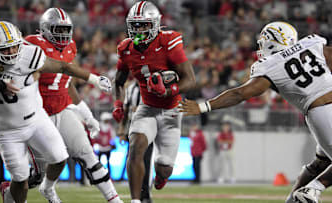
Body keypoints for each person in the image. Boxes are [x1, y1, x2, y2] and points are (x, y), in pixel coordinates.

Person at [178, 21, 332, 203]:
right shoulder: (312, 44)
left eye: (264, 41)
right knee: (319, 166)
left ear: (273, 41)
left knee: (319, 163)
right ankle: (314, 189)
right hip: (325, 107)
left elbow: (239, 93)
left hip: (317, 114)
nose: (260, 46)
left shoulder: (271, 66)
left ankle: (293, 199)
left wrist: (204, 106)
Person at [0, 21, 111, 203]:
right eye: (6, 49)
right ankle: (10, 196)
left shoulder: (30, 54)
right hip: (6, 129)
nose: (12, 52)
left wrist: (93, 79)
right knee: (21, 180)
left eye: (14, 47)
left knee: (60, 158)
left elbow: (63, 67)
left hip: (36, 119)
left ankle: (47, 188)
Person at [24, 8, 123, 203]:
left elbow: (67, 83)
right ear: (45, 29)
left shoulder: (70, 47)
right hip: (38, 114)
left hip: (62, 110)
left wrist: (87, 116)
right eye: (57, 30)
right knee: (38, 173)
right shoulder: (32, 44)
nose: (62, 35)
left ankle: (115, 200)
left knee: (88, 155)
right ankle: (14, 191)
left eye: (65, 30)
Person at [113, 1, 196, 202]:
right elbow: (118, 81)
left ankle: (160, 176)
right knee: (136, 146)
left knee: (165, 168)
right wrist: (118, 103)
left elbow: (190, 79)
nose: (138, 30)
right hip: (147, 107)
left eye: (143, 25)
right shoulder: (126, 49)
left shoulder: (168, 41)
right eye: (135, 25)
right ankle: (135, 200)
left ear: (156, 24)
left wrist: (169, 90)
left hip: (171, 110)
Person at [117, 79, 154, 203]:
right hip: (133, 129)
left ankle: (146, 194)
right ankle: (136, 196)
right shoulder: (131, 88)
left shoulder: (153, 86)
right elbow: (126, 109)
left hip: (149, 129)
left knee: (146, 162)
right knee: (133, 160)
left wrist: (141, 109)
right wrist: (122, 130)